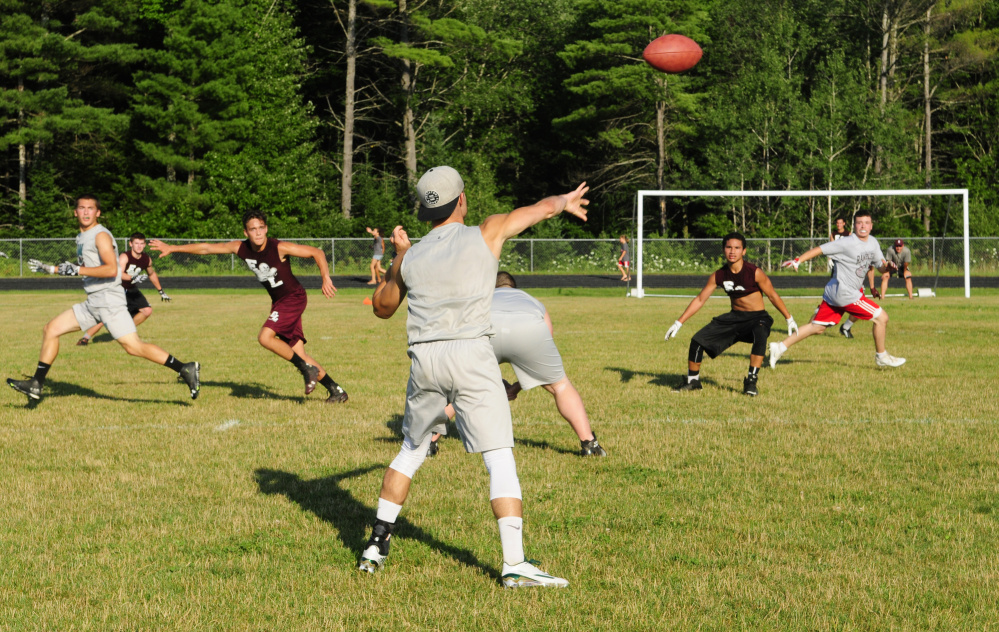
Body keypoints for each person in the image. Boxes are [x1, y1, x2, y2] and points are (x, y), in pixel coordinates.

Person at [359, 165, 588, 588]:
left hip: (425, 358)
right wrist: (564, 201)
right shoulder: (486, 231)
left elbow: (382, 307)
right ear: (462, 199)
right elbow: (537, 210)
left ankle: (376, 544)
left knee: (411, 449)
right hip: (471, 353)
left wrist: (398, 257)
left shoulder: (412, 255)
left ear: (425, 212)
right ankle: (515, 564)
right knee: (498, 455)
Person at [7, 195, 200, 402]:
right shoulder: (82, 236)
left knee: (133, 347)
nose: (86, 212)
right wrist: (53, 269)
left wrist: (77, 270)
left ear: (98, 213)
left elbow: (111, 269)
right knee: (51, 329)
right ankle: (37, 383)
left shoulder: (100, 235)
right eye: (82, 208)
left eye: (91, 208)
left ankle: (185, 368)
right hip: (93, 301)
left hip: (109, 301)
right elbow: (85, 268)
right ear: (75, 212)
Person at [149, 210, 348, 402]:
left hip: (293, 297)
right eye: (253, 229)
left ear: (266, 229)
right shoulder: (240, 247)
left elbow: (317, 252)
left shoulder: (278, 247)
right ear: (246, 232)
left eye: (261, 227)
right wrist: (173, 248)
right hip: (279, 301)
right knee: (299, 352)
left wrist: (325, 277)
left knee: (265, 337)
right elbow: (206, 248)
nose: (258, 232)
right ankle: (336, 390)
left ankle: (307, 369)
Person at [427, 271, 607, 458]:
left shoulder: (480, 300)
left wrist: (488, 381)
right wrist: (517, 387)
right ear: (514, 288)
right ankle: (590, 444)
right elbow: (547, 339)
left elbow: (463, 341)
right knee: (560, 386)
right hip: (528, 329)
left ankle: (429, 442)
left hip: (487, 326)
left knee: (463, 388)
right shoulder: (531, 300)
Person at [664, 232, 797, 397]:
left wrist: (788, 318)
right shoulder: (718, 275)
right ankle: (693, 381)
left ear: (744, 251)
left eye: (737, 248)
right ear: (723, 250)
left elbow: (772, 295)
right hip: (734, 318)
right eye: (728, 247)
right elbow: (700, 299)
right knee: (697, 341)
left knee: (761, 332)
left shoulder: (754, 272)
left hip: (757, 317)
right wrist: (679, 322)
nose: (732, 251)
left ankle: (751, 381)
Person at [769, 211, 905, 368]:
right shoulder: (846, 243)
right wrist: (798, 260)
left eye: (866, 222)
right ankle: (881, 356)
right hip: (846, 294)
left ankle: (779, 347)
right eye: (859, 222)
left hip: (834, 292)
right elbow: (820, 249)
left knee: (817, 327)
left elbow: (881, 268)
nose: (863, 226)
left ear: (871, 225)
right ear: (854, 225)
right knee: (882, 318)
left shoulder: (873, 243)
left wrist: (888, 266)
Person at [77, 232, 172, 345]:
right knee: (106, 316)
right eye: (136, 243)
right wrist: (133, 277)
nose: (139, 246)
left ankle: (123, 330)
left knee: (147, 310)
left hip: (131, 289)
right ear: (130, 244)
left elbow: (151, 274)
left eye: (141, 243)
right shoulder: (125, 257)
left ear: (145, 245)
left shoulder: (147, 259)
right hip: (116, 288)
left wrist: (161, 291)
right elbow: (118, 273)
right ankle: (85, 338)